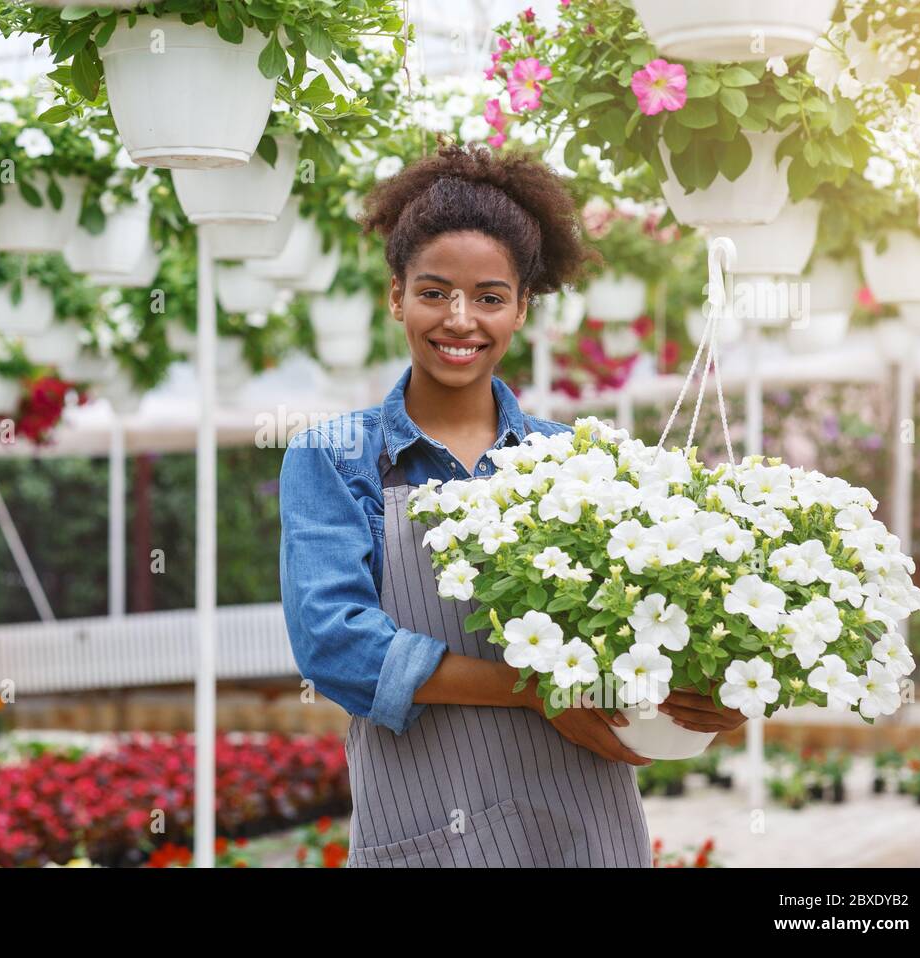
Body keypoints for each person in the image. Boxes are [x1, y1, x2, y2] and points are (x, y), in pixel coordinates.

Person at [277, 143, 745, 868]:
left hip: (583, 825)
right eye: (434, 292)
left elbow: (652, 633)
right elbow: (337, 646)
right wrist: (535, 691)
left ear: (522, 308)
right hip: (426, 826)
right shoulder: (335, 458)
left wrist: (712, 699)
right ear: (395, 294)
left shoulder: (577, 458)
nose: (460, 320)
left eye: (490, 298)